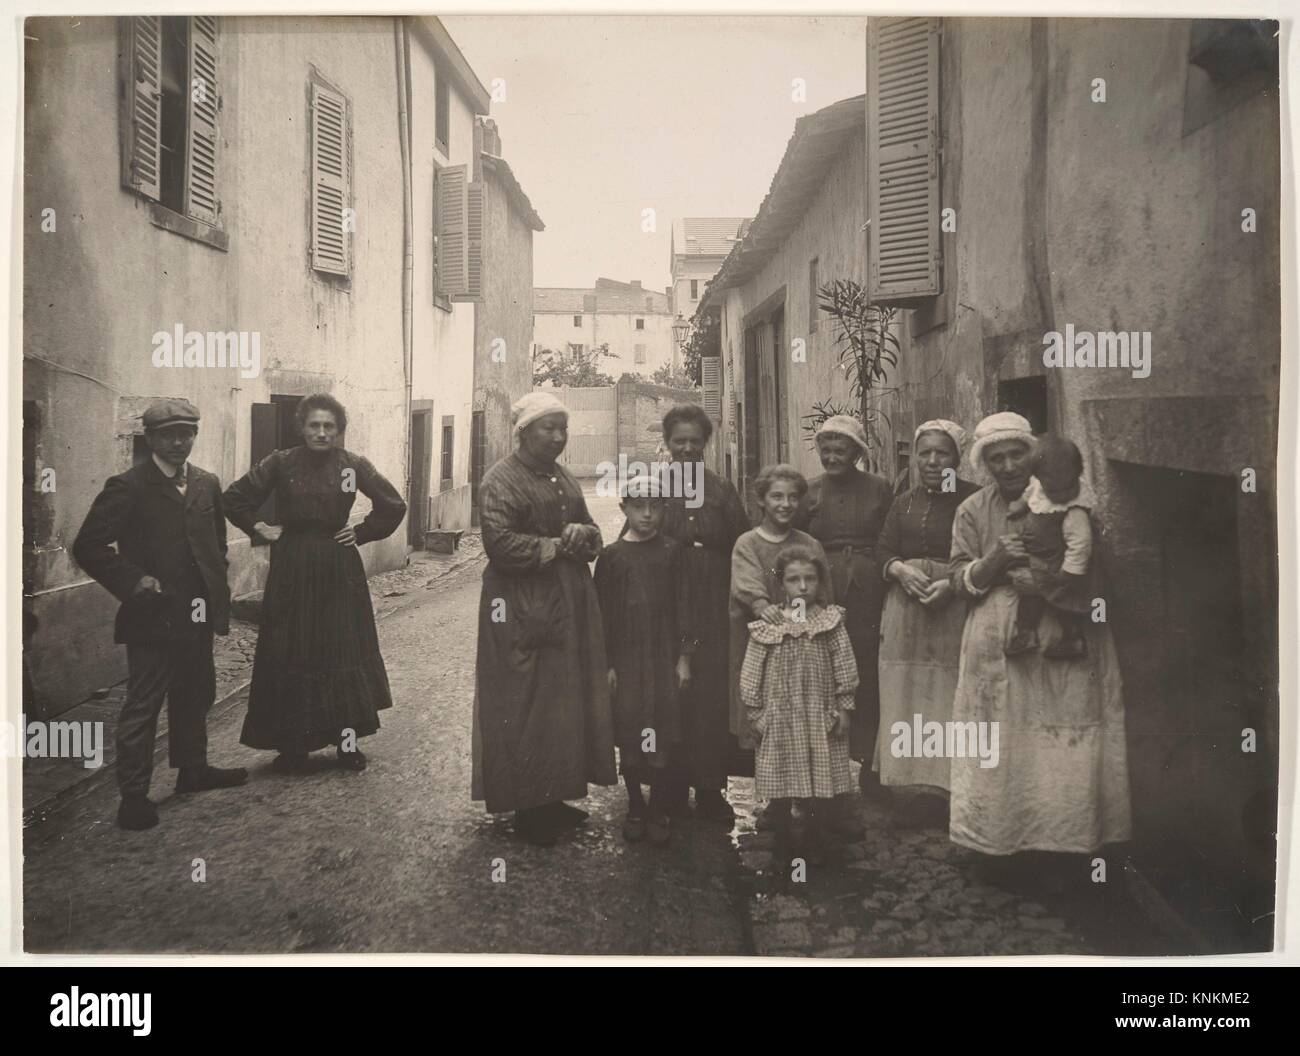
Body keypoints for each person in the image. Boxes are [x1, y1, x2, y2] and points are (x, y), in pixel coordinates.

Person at [948, 412, 1130, 870]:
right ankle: (997, 845)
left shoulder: (1067, 499)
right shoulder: (972, 510)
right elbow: (958, 581)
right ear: (985, 464)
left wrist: (1044, 583)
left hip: (1062, 630)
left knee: (1063, 735)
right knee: (1000, 741)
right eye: (997, 459)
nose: (1008, 466)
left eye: (1016, 455)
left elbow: (1091, 563)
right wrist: (992, 562)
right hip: (998, 639)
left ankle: (1065, 845)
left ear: (1033, 458)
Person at [72, 398, 247, 831]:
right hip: (152, 617)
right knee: (144, 705)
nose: (177, 442)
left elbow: (216, 545)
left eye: (185, 433)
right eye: (167, 434)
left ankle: (193, 770)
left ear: (194, 435)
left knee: (196, 693)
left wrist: (216, 589)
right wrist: (134, 581)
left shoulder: (206, 484)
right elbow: (89, 546)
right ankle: (133, 796)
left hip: (196, 612)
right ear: (149, 438)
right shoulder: (127, 486)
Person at [223, 394, 406, 773]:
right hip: (291, 566)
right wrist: (259, 527)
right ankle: (294, 746)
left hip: (338, 566)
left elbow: (392, 504)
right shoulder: (280, 462)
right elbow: (235, 499)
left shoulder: (351, 466)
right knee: (292, 650)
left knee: (341, 650)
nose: (321, 433)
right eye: (314, 425)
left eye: (329, 426)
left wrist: (361, 532)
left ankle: (348, 744)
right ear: (302, 427)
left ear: (339, 430)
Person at [471, 391, 617, 846]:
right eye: (547, 428)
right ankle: (528, 805)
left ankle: (554, 796)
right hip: (518, 605)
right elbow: (500, 545)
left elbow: (591, 530)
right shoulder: (500, 481)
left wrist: (583, 534)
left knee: (560, 699)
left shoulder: (563, 477)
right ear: (523, 431)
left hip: (566, 601)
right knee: (523, 699)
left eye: (562, 428)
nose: (557, 437)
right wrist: (557, 545)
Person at [874, 419, 979, 826]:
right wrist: (898, 569)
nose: (933, 462)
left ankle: (951, 789)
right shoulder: (902, 502)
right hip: (905, 609)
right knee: (906, 690)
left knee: (950, 690)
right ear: (915, 457)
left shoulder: (973, 500)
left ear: (957, 457)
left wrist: (952, 587)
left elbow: (982, 555)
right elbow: (883, 547)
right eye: (925, 453)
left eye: (943, 453)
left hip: (954, 607)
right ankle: (912, 788)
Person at [793, 414, 893, 825]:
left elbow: (890, 538)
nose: (833, 456)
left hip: (869, 589)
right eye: (826, 449)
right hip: (822, 586)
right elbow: (791, 538)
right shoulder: (809, 491)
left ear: (856, 453)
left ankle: (871, 764)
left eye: (842, 450)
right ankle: (817, 770)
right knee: (823, 674)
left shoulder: (880, 489)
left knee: (867, 672)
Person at [657, 404, 753, 822]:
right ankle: (673, 785)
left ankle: (711, 789)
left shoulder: (722, 490)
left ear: (706, 444)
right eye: (680, 441)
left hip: (714, 602)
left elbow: (744, 544)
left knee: (713, 694)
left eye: (695, 441)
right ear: (668, 444)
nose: (688, 448)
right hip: (668, 602)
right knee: (674, 693)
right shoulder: (655, 489)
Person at [740, 545, 858, 869]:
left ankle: (814, 841)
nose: (803, 587)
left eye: (810, 579)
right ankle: (781, 843)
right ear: (782, 585)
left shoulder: (829, 621)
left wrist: (844, 707)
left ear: (820, 581)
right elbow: (751, 673)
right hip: (781, 718)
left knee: (820, 785)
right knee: (780, 781)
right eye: (794, 580)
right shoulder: (768, 627)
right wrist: (757, 714)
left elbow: (845, 666)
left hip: (820, 715)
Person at [594, 471, 693, 845]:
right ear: (625, 509)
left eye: (654, 507)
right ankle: (635, 804)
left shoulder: (672, 552)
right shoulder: (613, 557)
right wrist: (608, 665)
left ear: (664, 510)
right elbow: (602, 614)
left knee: (661, 734)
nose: (647, 515)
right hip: (629, 661)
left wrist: (684, 658)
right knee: (634, 734)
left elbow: (685, 607)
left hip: (663, 658)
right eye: (639, 507)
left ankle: (658, 809)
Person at [730, 464, 832, 752]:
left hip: (802, 646)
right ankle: (773, 788)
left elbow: (822, 594)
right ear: (762, 500)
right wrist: (762, 605)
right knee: (765, 713)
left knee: (801, 711)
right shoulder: (747, 543)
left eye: (792, 498)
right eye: (776, 497)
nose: (785, 505)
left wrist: (799, 623)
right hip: (761, 646)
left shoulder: (809, 543)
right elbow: (747, 587)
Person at [1004, 434, 1094, 660]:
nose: (1062, 496)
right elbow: (1030, 495)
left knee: (1065, 603)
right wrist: (1019, 506)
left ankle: (1073, 639)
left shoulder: (1074, 509)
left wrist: (1070, 573)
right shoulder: (1038, 485)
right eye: (1054, 490)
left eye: (1068, 487)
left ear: (1078, 473)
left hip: (1056, 562)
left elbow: (1080, 545)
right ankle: (1026, 634)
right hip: (1037, 556)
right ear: (1038, 478)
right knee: (1028, 598)